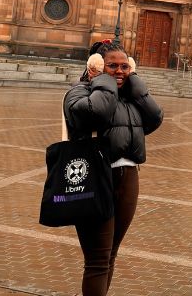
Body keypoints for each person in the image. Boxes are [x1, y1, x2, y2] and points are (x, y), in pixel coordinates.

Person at [63, 40, 162, 295]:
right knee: (97, 259)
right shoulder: (79, 92)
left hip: (128, 176)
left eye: (125, 66)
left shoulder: (130, 98)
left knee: (110, 255)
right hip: (96, 178)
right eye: (112, 66)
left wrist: (137, 86)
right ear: (95, 66)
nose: (119, 71)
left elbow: (154, 119)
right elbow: (95, 113)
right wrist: (102, 81)